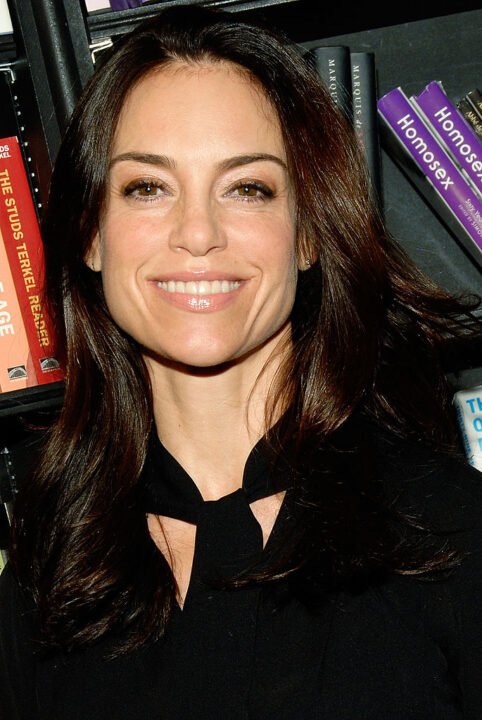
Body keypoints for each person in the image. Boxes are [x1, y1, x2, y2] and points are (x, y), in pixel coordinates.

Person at [1, 6, 481, 719]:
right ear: (91, 236)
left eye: (247, 188)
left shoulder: (451, 531)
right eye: (148, 187)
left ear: (310, 235)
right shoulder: (45, 576)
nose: (198, 233)